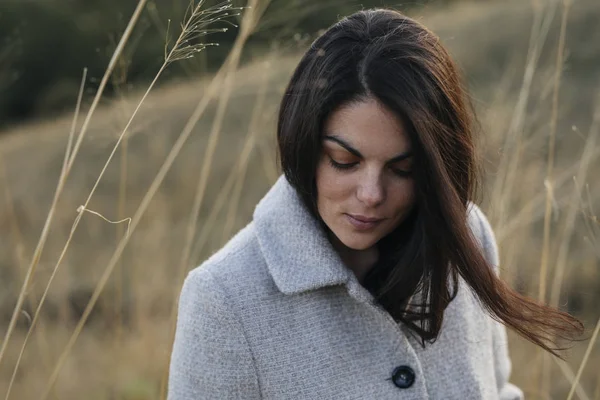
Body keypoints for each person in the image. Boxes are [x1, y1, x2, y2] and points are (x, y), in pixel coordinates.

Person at [167, 8, 583, 399]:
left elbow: (497, 389)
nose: (372, 194)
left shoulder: (468, 234)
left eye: (403, 169)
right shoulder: (223, 300)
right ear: (304, 147)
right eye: (344, 162)